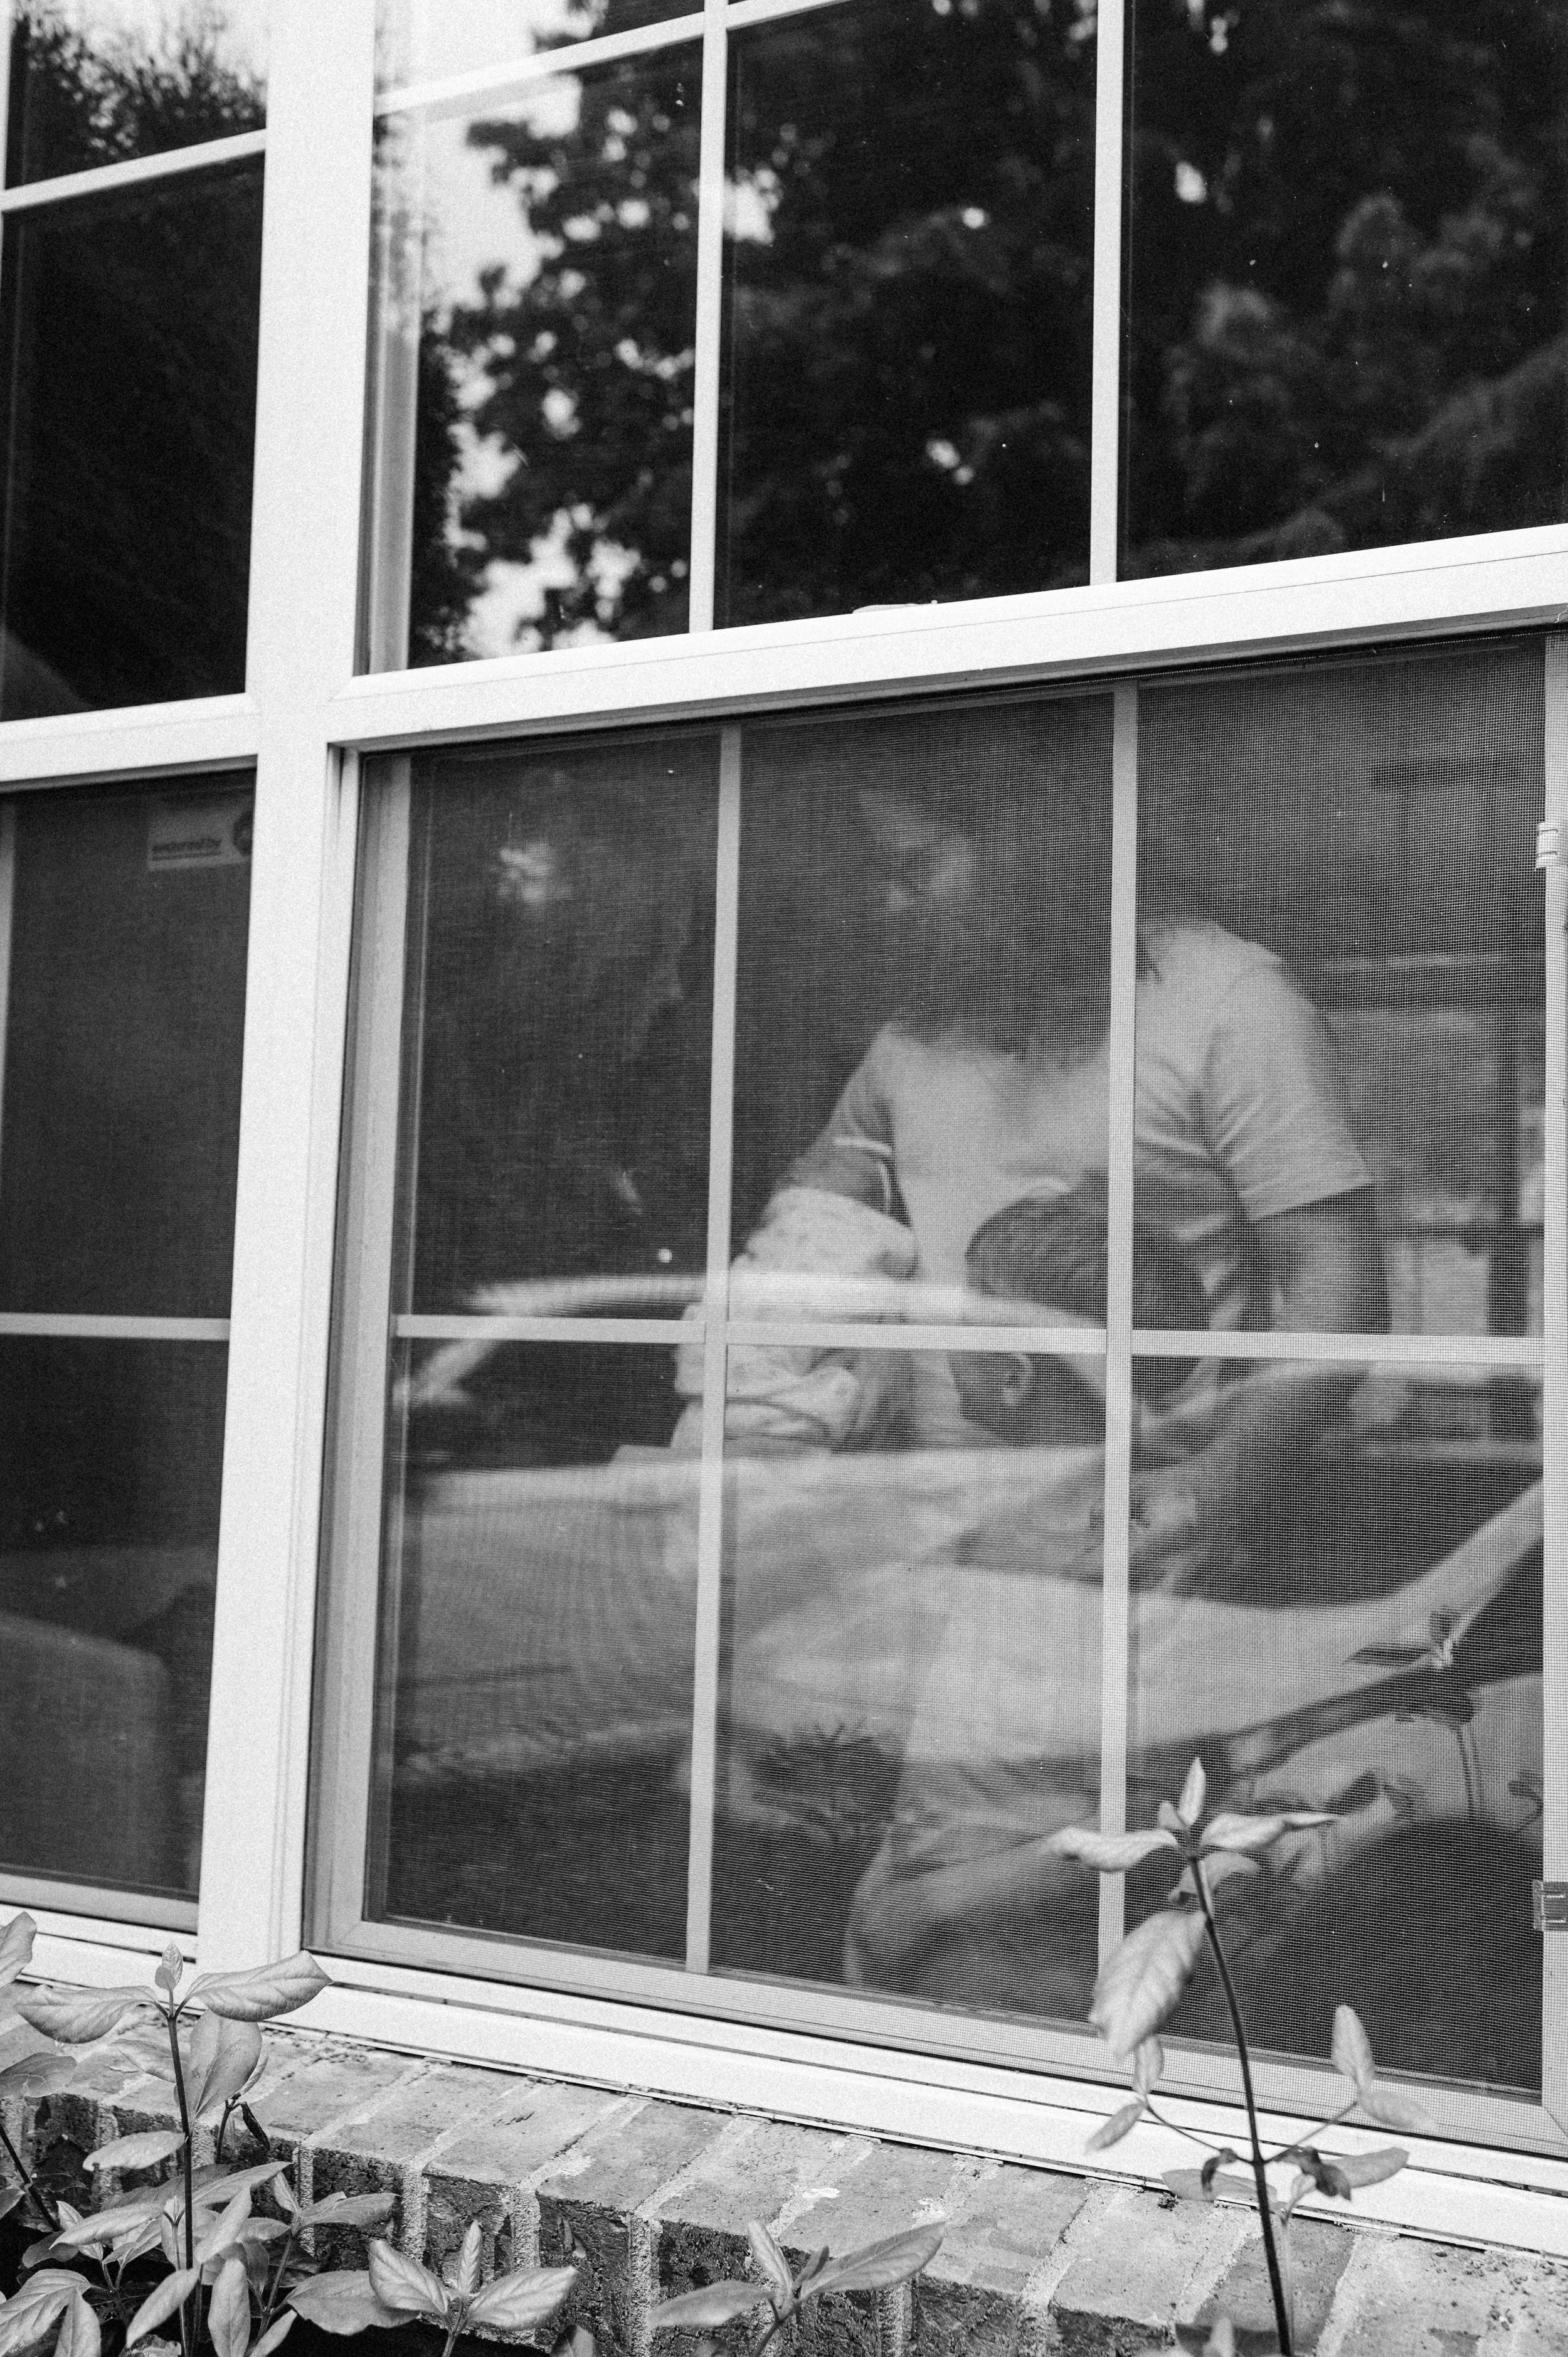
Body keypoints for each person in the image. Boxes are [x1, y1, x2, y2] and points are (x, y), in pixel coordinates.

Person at [689, 758, 1389, 1589]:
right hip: (938, 1556)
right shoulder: (911, 1038)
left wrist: (1186, 1509)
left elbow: (1338, 1306)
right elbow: (806, 1252)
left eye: (915, 870)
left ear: (1025, 854)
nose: (891, 905)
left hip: (1149, 1564)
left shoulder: (1228, 1000)